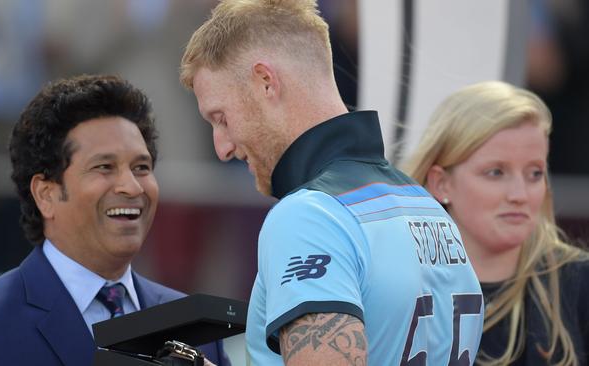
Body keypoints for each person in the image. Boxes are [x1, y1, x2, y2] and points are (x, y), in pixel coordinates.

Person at [180, 1, 484, 364]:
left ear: (265, 82)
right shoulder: (426, 206)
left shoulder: (308, 215)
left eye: (221, 117)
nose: (222, 147)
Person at [0, 75, 230, 366]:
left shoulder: (193, 328)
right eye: (104, 167)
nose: (132, 187)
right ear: (46, 194)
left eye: (141, 167)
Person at [401, 80, 589, 365]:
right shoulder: (395, 283)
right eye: (496, 172)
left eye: (535, 173)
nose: (519, 195)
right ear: (441, 183)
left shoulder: (578, 284)